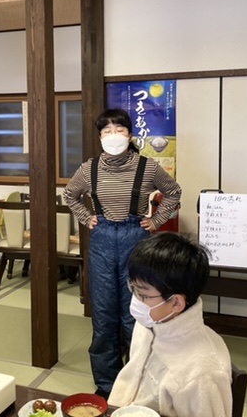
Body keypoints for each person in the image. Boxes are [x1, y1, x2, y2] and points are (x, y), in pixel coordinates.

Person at [63, 108, 181, 398]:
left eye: (119, 130)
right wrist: (86, 217)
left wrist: (155, 221)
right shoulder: (89, 169)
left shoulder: (147, 167)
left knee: (135, 315)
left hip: (135, 240)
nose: (113, 135)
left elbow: (174, 192)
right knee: (103, 316)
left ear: (130, 135)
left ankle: (137, 382)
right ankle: (107, 386)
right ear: (100, 137)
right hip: (101, 240)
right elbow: (69, 195)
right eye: (107, 131)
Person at [109, 232, 232, 417]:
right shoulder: (150, 322)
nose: (135, 300)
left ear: (176, 303)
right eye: (133, 288)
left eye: (143, 295)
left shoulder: (202, 373)